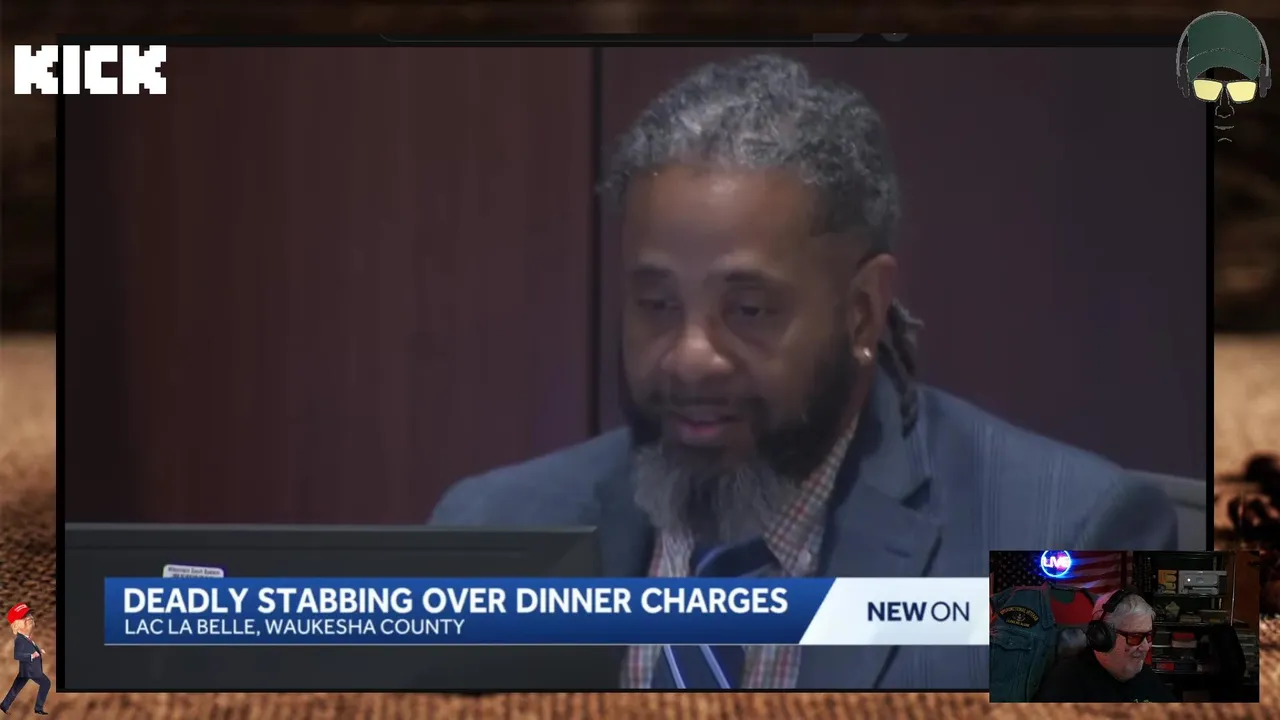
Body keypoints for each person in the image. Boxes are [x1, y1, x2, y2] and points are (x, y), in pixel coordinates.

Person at [429, 54, 1178, 689]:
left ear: (861, 312)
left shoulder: (1082, 530)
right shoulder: (489, 532)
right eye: (656, 304)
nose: (690, 355)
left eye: (749, 310)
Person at [1034, 589, 1177, 702]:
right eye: (1134, 637)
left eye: (1149, 636)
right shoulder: (1065, 683)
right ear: (1102, 637)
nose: (1146, 647)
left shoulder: (1147, 677)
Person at [1, 603, 51, 715]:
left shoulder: (27, 638)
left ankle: (4, 705)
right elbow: (17, 655)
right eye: (24, 617)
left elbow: (31, 648)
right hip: (31, 670)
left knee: (15, 688)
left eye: (29, 615)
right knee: (46, 683)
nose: (29, 618)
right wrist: (31, 656)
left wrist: (39, 651)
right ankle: (38, 708)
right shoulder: (19, 640)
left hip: (25, 670)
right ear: (15, 626)